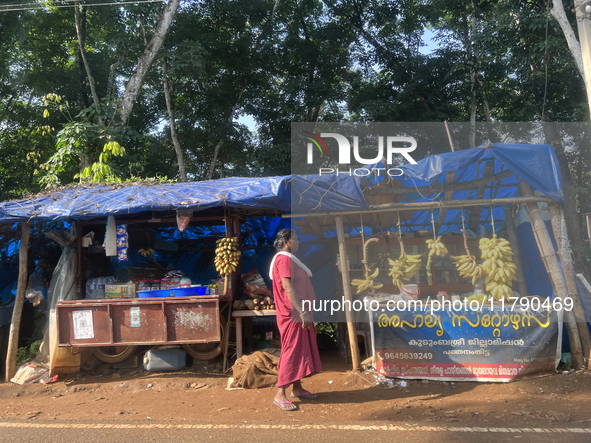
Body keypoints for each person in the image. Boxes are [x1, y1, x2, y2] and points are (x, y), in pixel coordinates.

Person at [269, 229, 322, 411]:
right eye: (295, 239)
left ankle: (297, 388)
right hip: (293, 314)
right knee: (291, 350)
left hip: (298, 313)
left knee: (299, 349)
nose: (298, 242)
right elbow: (286, 286)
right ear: (286, 242)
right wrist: (301, 312)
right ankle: (280, 394)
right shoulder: (284, 259)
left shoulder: (289, 259)